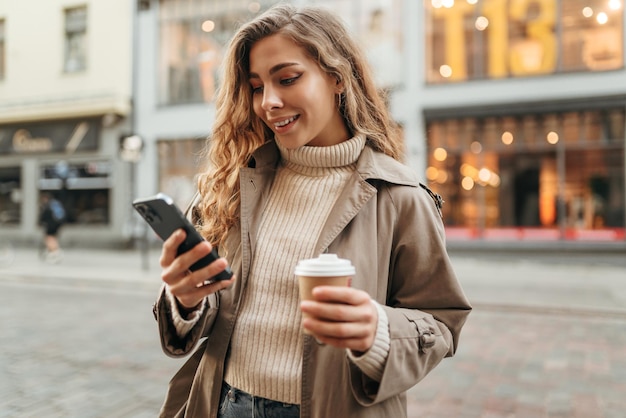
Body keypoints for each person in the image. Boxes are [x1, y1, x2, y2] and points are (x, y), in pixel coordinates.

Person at [152, 4, 471, 418]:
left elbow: (441, 322)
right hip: (224, 404)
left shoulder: (399, 196)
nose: (269, 102)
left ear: (337, 77)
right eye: (256, 86)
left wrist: (377, 331)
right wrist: (185, 300)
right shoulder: (233, 183)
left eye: (287, 79)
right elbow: (213, 312)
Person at [38, 192, 65, 263]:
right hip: (57, 224)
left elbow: (43, 217)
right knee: (53, 238)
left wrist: (40, 222)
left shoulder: (48, 206)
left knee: (49, 238)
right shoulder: (55, 204)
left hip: (51, 224)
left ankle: (55, 252)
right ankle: (55, 252)